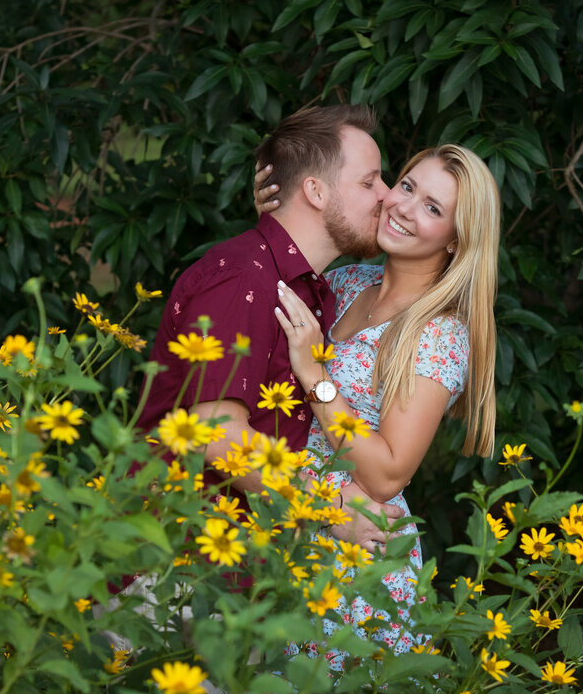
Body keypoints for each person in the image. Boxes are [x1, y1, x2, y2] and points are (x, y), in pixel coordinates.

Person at [257, 144, 499, 667]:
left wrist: (317, 377)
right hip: (290, 509)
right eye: (407, 187)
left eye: (434, 208)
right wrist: (275, 221)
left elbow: (389, 474)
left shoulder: (438, 334)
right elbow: (270, 293)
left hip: (352, 551)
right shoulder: (349, 282)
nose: (406, 209)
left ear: (457, 240)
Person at [137, 104, 402, 537]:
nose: (386, 195)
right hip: (173, 557)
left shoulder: (308, 288)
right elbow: (216, 434)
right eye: (369, 181)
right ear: (316, 192)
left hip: (238, 561)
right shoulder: (242, 276)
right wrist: (329, 507)